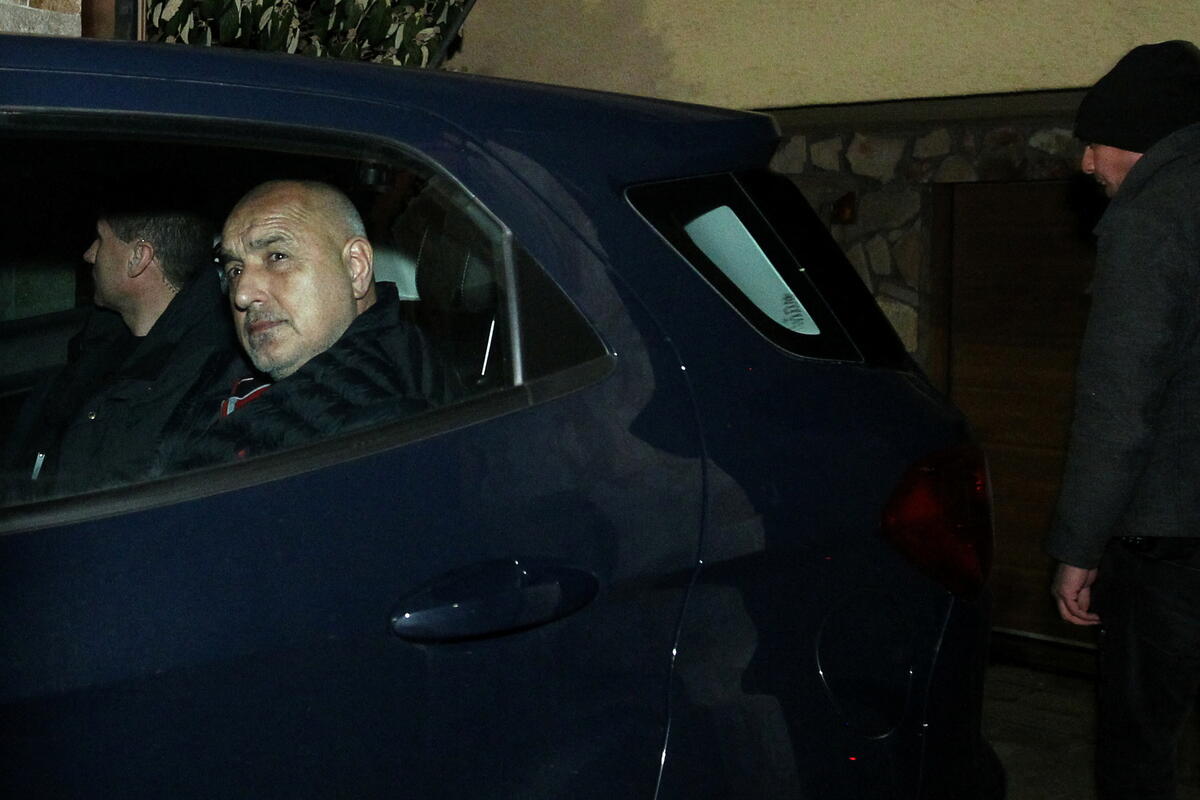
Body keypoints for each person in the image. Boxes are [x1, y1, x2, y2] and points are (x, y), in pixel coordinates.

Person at [1045, 40, 1200, 800]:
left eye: (1095, 144)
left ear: (1139, 139)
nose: (1086, 165)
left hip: (1170, 542)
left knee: (1141, 745)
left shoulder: (1153, 221)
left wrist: (1079, 546)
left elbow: (1119, 406)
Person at [157, 179, 455, 470]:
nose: (242, 294)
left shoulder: (382, 424)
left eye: (277, 257)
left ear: (356, 268)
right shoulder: (231, 364)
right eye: (235, 270)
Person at [1, 206, 228, 501]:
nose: (89, 254)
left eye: (100, 239)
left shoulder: (187, 379)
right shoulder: (105, 336)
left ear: (138, 258)